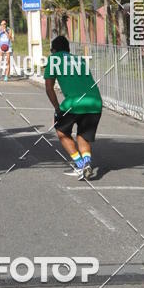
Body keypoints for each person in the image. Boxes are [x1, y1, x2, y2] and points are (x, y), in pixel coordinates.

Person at [44, 35, 103, 180]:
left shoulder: (53, 59)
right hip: (95, 102)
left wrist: (57, 108)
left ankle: (80, 164)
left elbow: (49, 87)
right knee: (82, 136)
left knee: (61, 131)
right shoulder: (79, 59)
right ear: (68, 49)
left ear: (53, 50)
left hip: (74, 102)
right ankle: (87, 163)